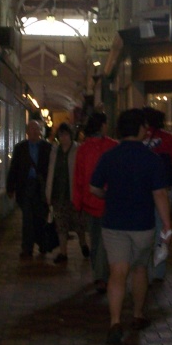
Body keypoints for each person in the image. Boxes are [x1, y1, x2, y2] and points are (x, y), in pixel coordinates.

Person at [90, 109, 172, 344]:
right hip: (142, 225)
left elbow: (93, 188)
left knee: (117, 272)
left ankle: (115, 321)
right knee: (138, 270)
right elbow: (160, 194)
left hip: (113, 223)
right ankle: (137, 314)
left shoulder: (109, 156)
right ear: (139, 130)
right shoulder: (151, 159)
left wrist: (107, 195)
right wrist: (167, 225)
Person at [141, 107, 172, 282]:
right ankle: (158, 271)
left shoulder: (139, 139)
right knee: (162, 228)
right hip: (164, 189)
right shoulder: (167, 140)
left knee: (144, 229)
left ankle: (143, 269)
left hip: (142, 191)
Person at [73, 113, 117, 292]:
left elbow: (78, 177)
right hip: (108, 200)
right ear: (102, 126)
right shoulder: (112, 146)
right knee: (105, 240)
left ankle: (98, 273)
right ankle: (101, 275)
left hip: (89, 201)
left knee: (96, 237)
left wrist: (77, 203)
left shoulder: (83, 149)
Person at [6, 120, 52, 259]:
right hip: (25, 187)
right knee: (27, 218)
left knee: (40, 216)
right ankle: (27, 248)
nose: (33, 132)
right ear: (27, 131)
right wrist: (10, 187)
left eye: (36, 129)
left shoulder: (47, 148)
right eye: (31, 129)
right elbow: (14, 168)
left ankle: (42, 244)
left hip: (41, 188)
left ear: (40, 132)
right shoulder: (20, 148)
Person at [45, 122, 85, 264]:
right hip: (58, 194)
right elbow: (51, 172)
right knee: (61, 225)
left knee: (79, 223)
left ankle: (83, 244)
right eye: (61, 135)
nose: (63, 138)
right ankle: (63, 252)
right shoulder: (55, 151)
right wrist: (48, 193)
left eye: (66, 134)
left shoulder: (78, 150)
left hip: (74, 193)